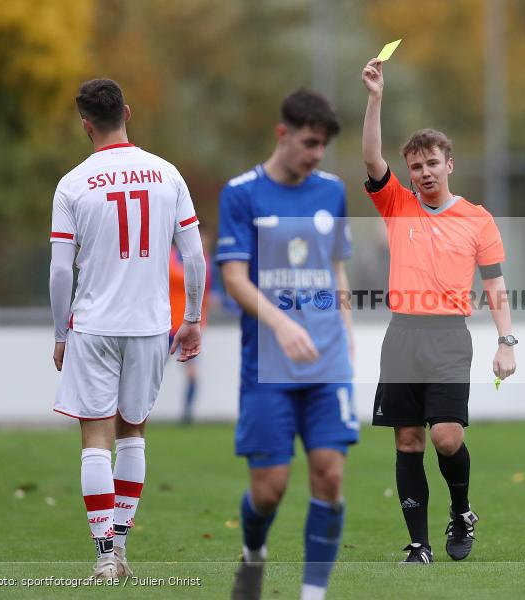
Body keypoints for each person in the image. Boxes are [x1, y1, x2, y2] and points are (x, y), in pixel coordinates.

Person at [361, 58, 517, 564]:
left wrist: (505, 341)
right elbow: (369, 158)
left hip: (450, 337)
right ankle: (419, 545)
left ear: (449, 164)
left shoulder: (477, 219)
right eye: (416, 166)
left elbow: (494, 284)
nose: (424, 173)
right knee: (408, 440)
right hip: (402, 334)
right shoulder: (398, 205)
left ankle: (461, 510)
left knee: (447, 437)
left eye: (432, 164)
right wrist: (375, 98)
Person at [49, 79, 206, 580]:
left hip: (93, 325)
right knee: (132, 432)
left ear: (85, 122)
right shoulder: (167, 174)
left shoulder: (73, 183)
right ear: (128, 113)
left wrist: (60, 332)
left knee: (94, 437)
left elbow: (58, 271)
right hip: (148, 325)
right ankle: (120, 549)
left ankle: (101, 558)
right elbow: (195, 257)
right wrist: (194, 319)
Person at [216, 89, 357, 600]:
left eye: (323, 146)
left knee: (330, 476)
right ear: (283, 134)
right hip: (267, 365)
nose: (316, 154)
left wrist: (346, 329)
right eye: (309, 142)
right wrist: (280, 323)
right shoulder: (241, 193)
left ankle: (312, 595)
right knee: (269, 489)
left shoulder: (332, 191)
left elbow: (335, 264)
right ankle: (253, 555)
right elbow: (233, 278)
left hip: (326, 360)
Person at [168, 227, 215, 424]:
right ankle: (135, 412)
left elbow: (207, 292)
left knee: (193, 373)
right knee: (147, 373)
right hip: (167, 325)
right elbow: (180, 277)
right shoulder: (170, 257)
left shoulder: (205, 263)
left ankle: (187, 415)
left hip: (190, 328)